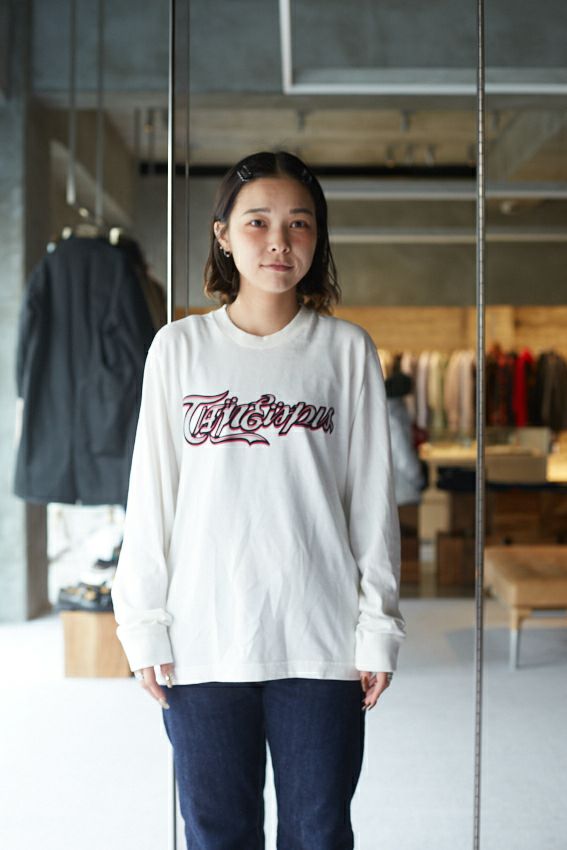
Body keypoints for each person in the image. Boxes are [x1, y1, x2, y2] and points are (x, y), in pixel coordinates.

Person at [111, 150, 406, 849]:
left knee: (318, 832)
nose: (279, 241)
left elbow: (371, 502)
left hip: (320, 640)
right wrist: (142, 624)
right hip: (203, 640)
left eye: (299, 223)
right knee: (217, 834)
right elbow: (151, 497)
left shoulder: (345, 350)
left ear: (317, 238)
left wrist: (378, 627)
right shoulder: (178, 348)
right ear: (222, 234)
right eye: (258, 222)